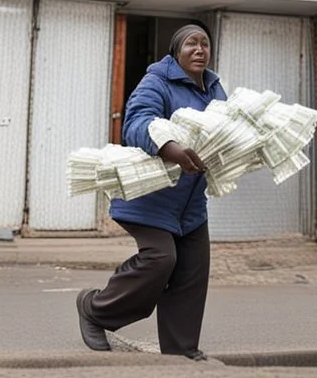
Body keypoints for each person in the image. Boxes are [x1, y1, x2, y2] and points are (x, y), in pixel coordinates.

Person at [76, 23, 224, 360]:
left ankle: (181, 349)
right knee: (161, 259)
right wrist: (167, 146)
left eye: (205, 43)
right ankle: (95, 309)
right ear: (176, 50)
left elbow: (227, 129)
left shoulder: (215, 89)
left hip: (190, 202)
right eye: (191, 43)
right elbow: (137, 122)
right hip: (151, 195)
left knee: (191, 271)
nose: (200, 49)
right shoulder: (157, 81)